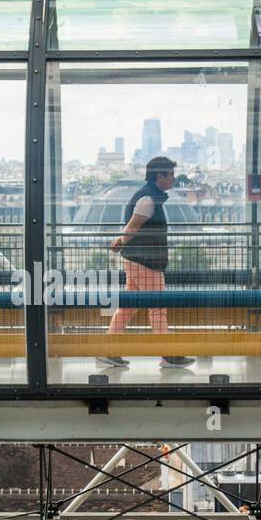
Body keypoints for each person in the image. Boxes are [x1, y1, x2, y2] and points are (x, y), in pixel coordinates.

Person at [99, 156, 195, 369]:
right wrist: (121, 241)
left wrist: (121, 242)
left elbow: (132, 227)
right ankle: (168, 354)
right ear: (159, 176)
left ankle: (107, 349)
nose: (173, 178)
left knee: (128, 307)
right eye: (170, 174)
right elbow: (133, 226)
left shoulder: (149, 196)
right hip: (146, 261)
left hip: (135, 260)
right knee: (158, 307)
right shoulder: (149, 200)